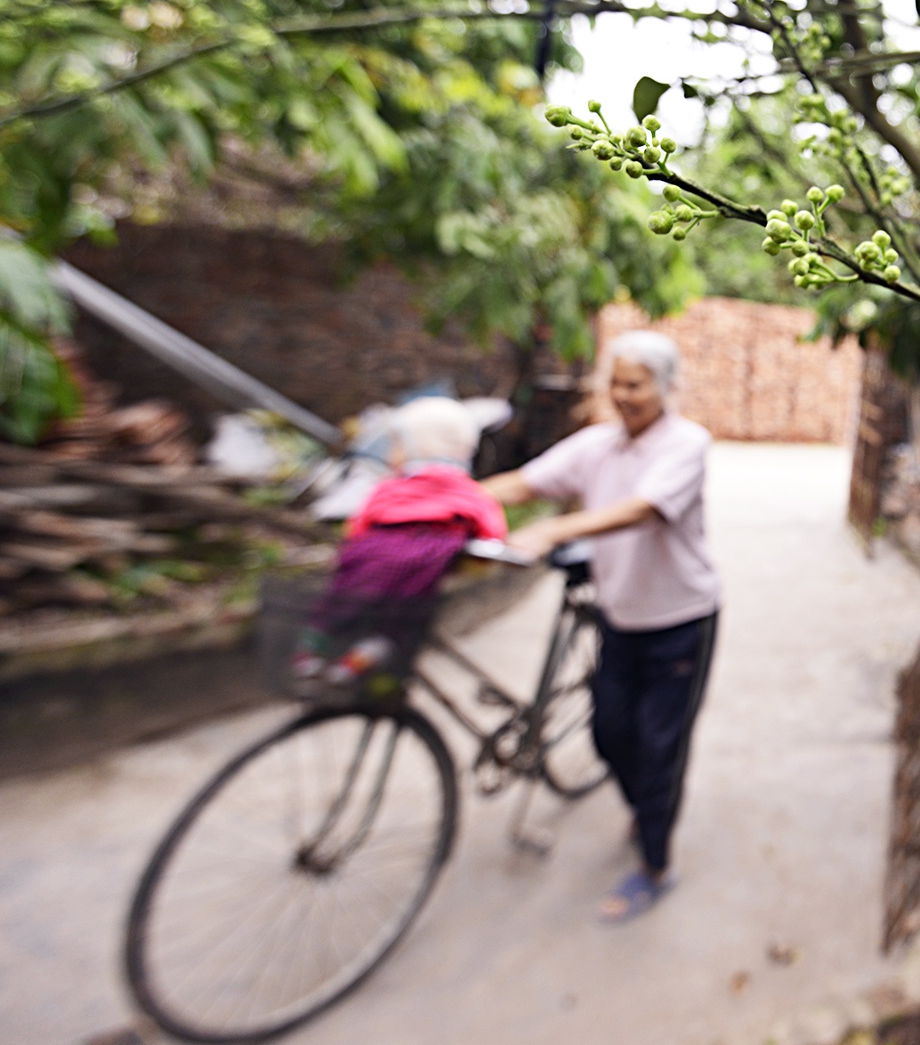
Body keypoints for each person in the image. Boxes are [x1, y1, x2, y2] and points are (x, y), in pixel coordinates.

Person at [483, 331, 719, 923]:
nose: (623, 394)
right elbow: (526, 482)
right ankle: (645, 805)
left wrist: (556, 531)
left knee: (659, 749)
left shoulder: (686, 445)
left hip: (679, 622)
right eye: (616, 382)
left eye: (636, 383)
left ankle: (656, 866)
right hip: (619, 617)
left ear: (666, 387)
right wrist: (441, 503)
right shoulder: (597, 444)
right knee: (611, 735)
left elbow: (644, 509)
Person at [299, 397, 506, 688]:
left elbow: (358, 526)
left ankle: (312, 653)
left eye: (395, 444)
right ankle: (357, 662)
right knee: (395, 627)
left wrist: (349, 552)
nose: (389, 453)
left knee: (338, 605)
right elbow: (493, 532)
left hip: (367, 560)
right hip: (423, 567)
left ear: (416, 447)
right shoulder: (470, 492)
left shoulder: (388, 488)